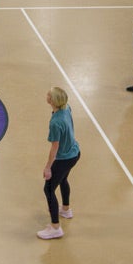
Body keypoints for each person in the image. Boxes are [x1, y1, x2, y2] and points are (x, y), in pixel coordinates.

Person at [38, 86, 81, 240]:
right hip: (75, 152)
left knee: (49, 189)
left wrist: (48, 167)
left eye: (49, 94)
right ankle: (66, 209)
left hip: (64, 158)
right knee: (63, 179)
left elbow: (54, 148)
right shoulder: (66, 108)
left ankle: (55, 227)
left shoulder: (55, 123)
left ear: (53, 101)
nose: (47, 95)